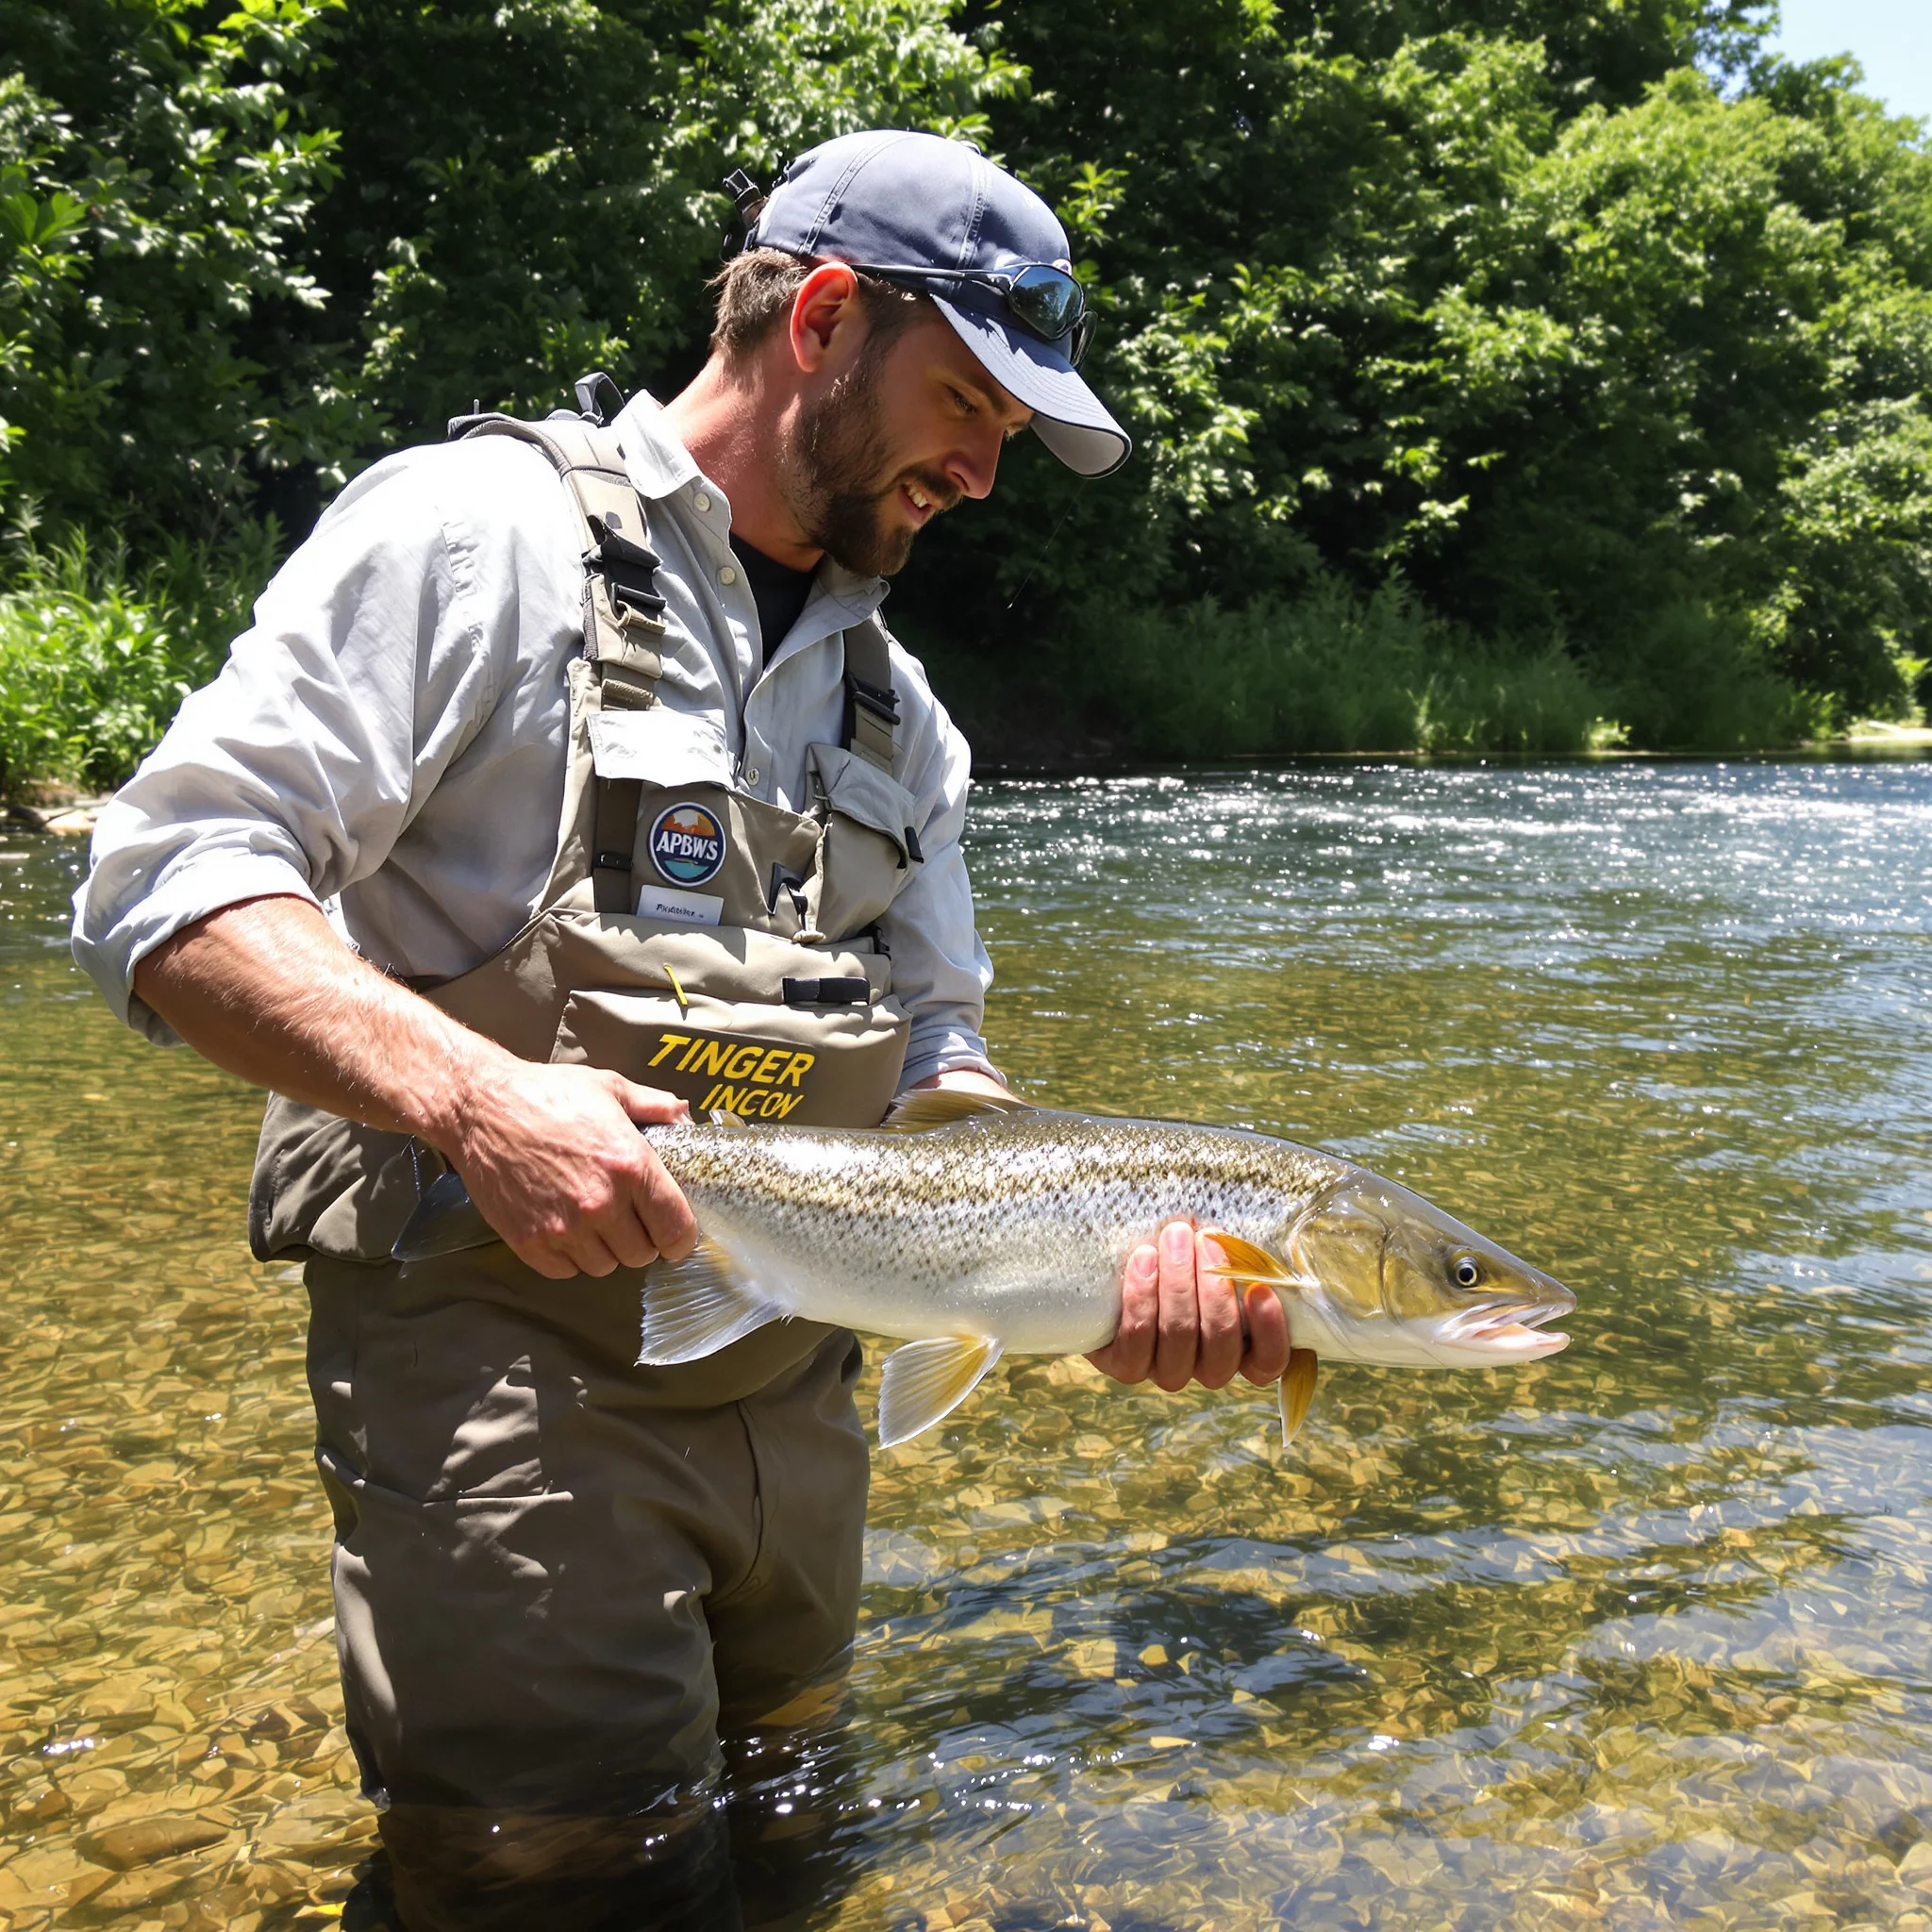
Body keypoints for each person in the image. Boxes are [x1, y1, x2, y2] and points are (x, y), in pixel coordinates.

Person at [72, 129, 1292, 1927]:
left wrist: (1081, 1276)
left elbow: (947, 1064)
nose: (983, 468)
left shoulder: (910, 718)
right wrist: (479, 1100)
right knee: (563, 1877)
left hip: (798, 1380)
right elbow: (163, 881)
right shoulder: (474, 536)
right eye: (966, 401)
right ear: (819, 321)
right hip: (508, 1358)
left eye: (1014, 434)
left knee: (794, 1826)